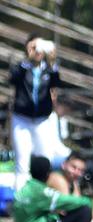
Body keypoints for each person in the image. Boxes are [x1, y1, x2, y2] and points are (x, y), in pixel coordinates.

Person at [9, 34, 61, 189]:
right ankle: (21, 201)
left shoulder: (48, 70)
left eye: (40, 47)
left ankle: (43, 198)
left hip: (42, 120)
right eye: (34, 46)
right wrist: (27, 60)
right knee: (22, 162)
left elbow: (57, 82)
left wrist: (52, 63)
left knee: (45, 160)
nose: (37, 51)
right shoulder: (21, 67)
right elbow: (13, 79)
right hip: (22, 119)